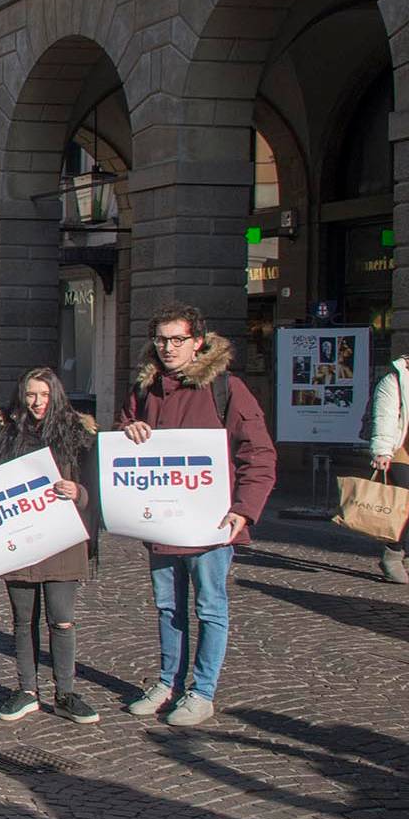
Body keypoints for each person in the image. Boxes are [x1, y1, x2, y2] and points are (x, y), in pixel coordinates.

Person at [120, 302, 276, 728]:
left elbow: (258, 453)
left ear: (198, 343)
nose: (168, 348)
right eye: (161, 340)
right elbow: (125, 439)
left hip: (211, 524)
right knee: (168, 606)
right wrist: (128, 432)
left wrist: (245, 510)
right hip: (162, 523)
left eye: (178, 340)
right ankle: (168, 681)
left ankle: (202, 691)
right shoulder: (145, 389)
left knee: (210, 607)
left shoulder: (226, 389)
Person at [0, 368, 100, 724]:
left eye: (44, 395)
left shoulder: (78, 434)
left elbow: (95, 487)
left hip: (62, 540)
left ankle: (65, 692)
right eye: (31, 395)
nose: (37, 403)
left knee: (61, 620)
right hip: (18, 539)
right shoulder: (4, 433)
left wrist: (77, 492)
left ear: (57, 396)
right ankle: (26, 690)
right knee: (23, 620)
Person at [366, 350, 409, 584]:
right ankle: (392, 554)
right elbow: (384, 416)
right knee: (404, 505)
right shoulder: (395, 379)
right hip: (401, 451)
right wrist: (382, 451)